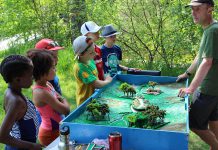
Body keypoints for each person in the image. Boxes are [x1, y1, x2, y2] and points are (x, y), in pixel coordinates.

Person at [177, 0, 218, 149]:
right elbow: (200, 56)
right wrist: (187, 73)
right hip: (215, 90)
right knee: (213, 121)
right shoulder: (209, 28)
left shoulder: (213, 30)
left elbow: (207, 61)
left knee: (194, 124)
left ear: (209, 9)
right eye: (192, 9)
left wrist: (191, 89)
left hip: (207, 89)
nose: (193, 13)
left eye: (197, 9)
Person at [27, 49, 70, 146]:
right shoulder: (41, 92)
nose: (56, 69)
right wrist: (63, 100)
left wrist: (61, 100)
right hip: (49, 134)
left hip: (57, 129)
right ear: (43, 71)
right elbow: (66, 110)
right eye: (53, 67)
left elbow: (60, 101)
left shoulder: (47, 84)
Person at [0, 55, 42, 150]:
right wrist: (31, 146)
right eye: (30, 75)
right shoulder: (17, 102)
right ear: (17, 79)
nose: (33, 77)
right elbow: (2, 136)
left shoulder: (11, 92)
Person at [73, 35, 112, 106]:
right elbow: (96, 84)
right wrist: (107, 81)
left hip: (93, 98)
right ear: (81, 54)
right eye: (91, 52)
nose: (95, 54)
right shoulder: (80, 67)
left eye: (94, 50)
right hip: (85, 103)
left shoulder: (90, 60)